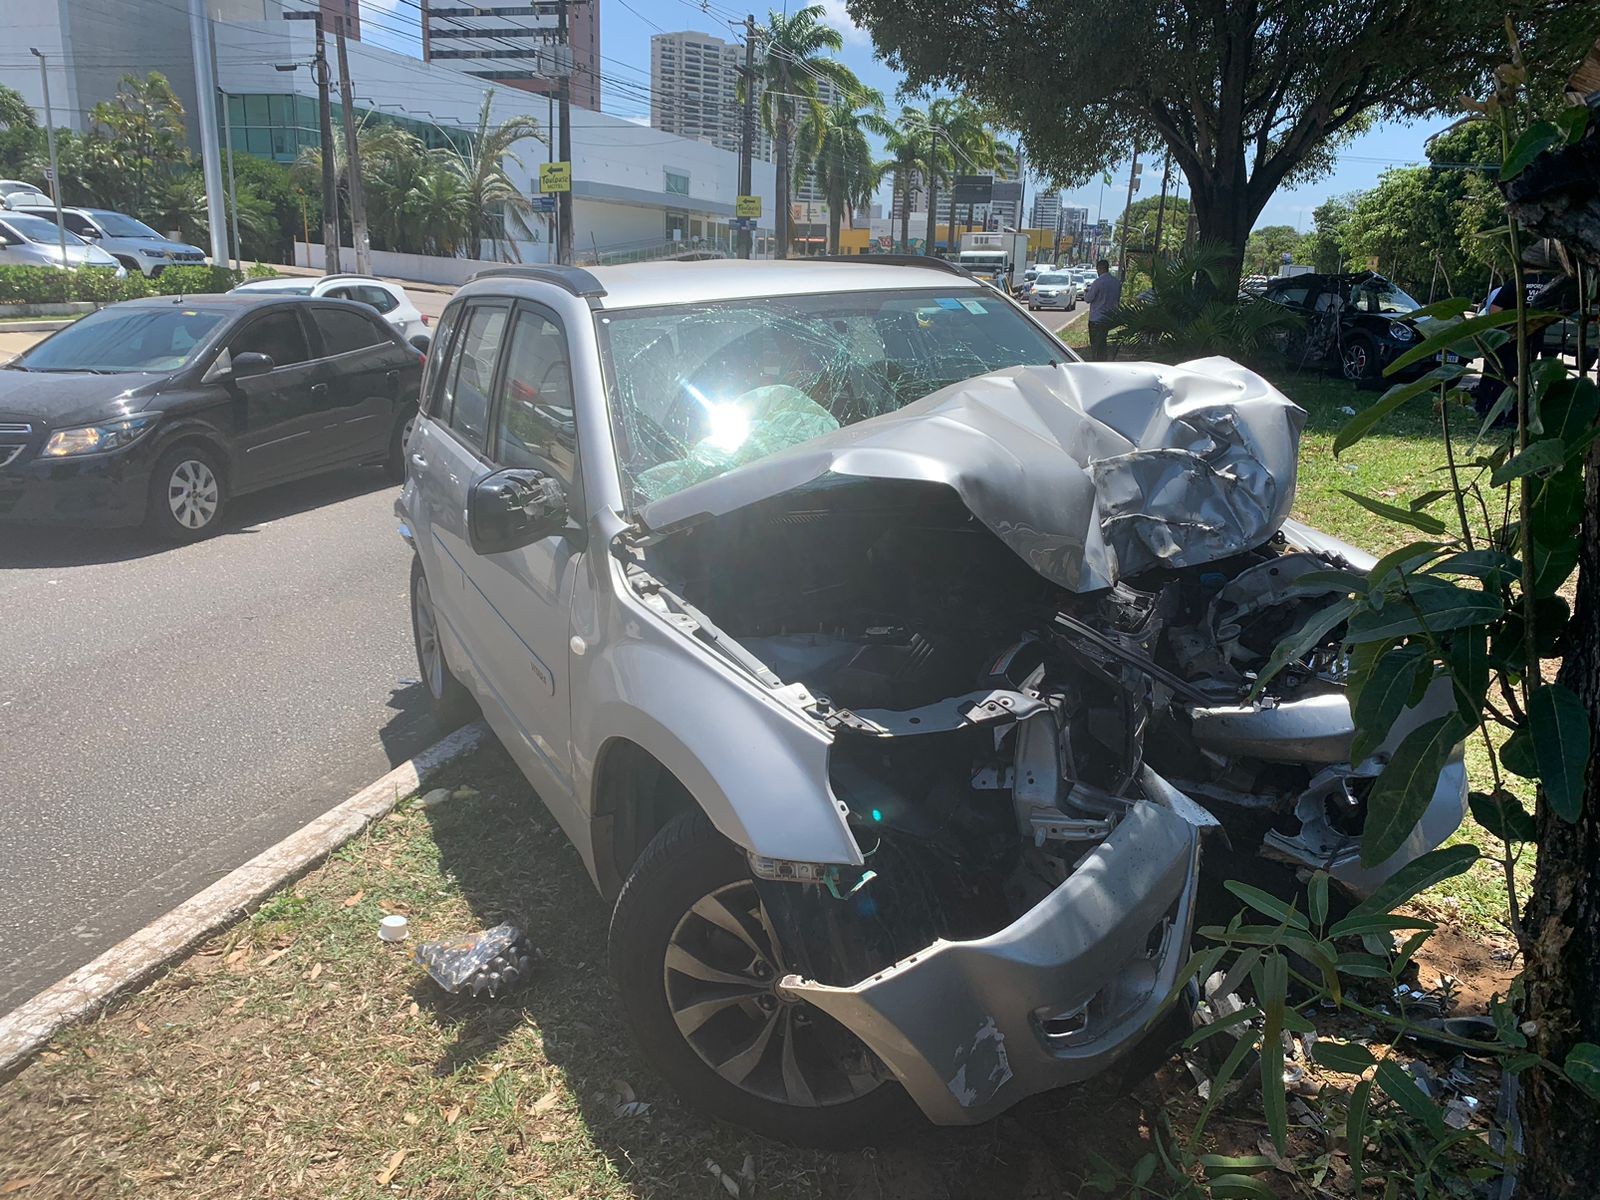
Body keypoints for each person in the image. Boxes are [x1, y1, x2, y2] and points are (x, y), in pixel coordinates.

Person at [1082, 259, 1123, 361]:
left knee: (1096, 344)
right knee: (1103, 341)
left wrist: (1087, 292)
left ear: (1100, 268)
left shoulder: (1098, 283)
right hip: (1110, 317)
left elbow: (1088, 299)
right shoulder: (1116, 282)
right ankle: (1103, 359)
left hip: (1097, 318)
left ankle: (1097, 361)